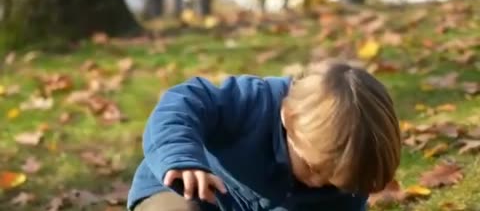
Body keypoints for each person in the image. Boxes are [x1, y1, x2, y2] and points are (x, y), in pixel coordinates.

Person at [127, 59, 402, 211]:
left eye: (334, 181)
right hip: (185, 191)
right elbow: (183, 102)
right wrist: (181, 158)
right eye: (313, 168)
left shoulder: (345, 184)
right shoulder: (250, 103)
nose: (319, 183)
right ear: (288, 118)